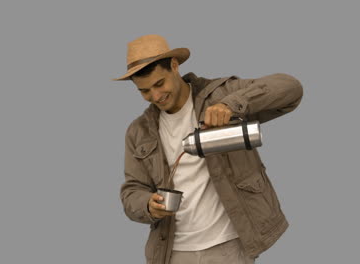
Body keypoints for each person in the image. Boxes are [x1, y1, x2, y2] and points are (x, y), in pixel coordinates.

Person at [113, 34, 303, 264]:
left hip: (229, 246)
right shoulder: (139, 131)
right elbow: (132, 191)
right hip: (172, 252)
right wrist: (147, 204)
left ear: (174, 66)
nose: (155, 96)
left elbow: (290, 87)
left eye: (159, 83)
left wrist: (232, 105)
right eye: (144, 91)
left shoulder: (220, 95)